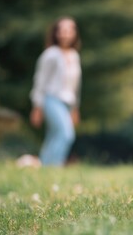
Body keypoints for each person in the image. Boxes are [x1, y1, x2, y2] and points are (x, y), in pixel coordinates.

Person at [29, 16, 82, 166]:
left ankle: (44, 166)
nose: (66, 34)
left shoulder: (74, 55)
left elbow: (75, 85)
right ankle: (54, 165)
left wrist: (75, 108)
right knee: (66, 134)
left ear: (74, 33)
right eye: (62, 31)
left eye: (69, 30)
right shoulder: (50, 54)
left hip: (68, 102)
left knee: (53, 135)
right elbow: (40, 81)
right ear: (56, 33)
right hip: (51, 99)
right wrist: (37, 106)